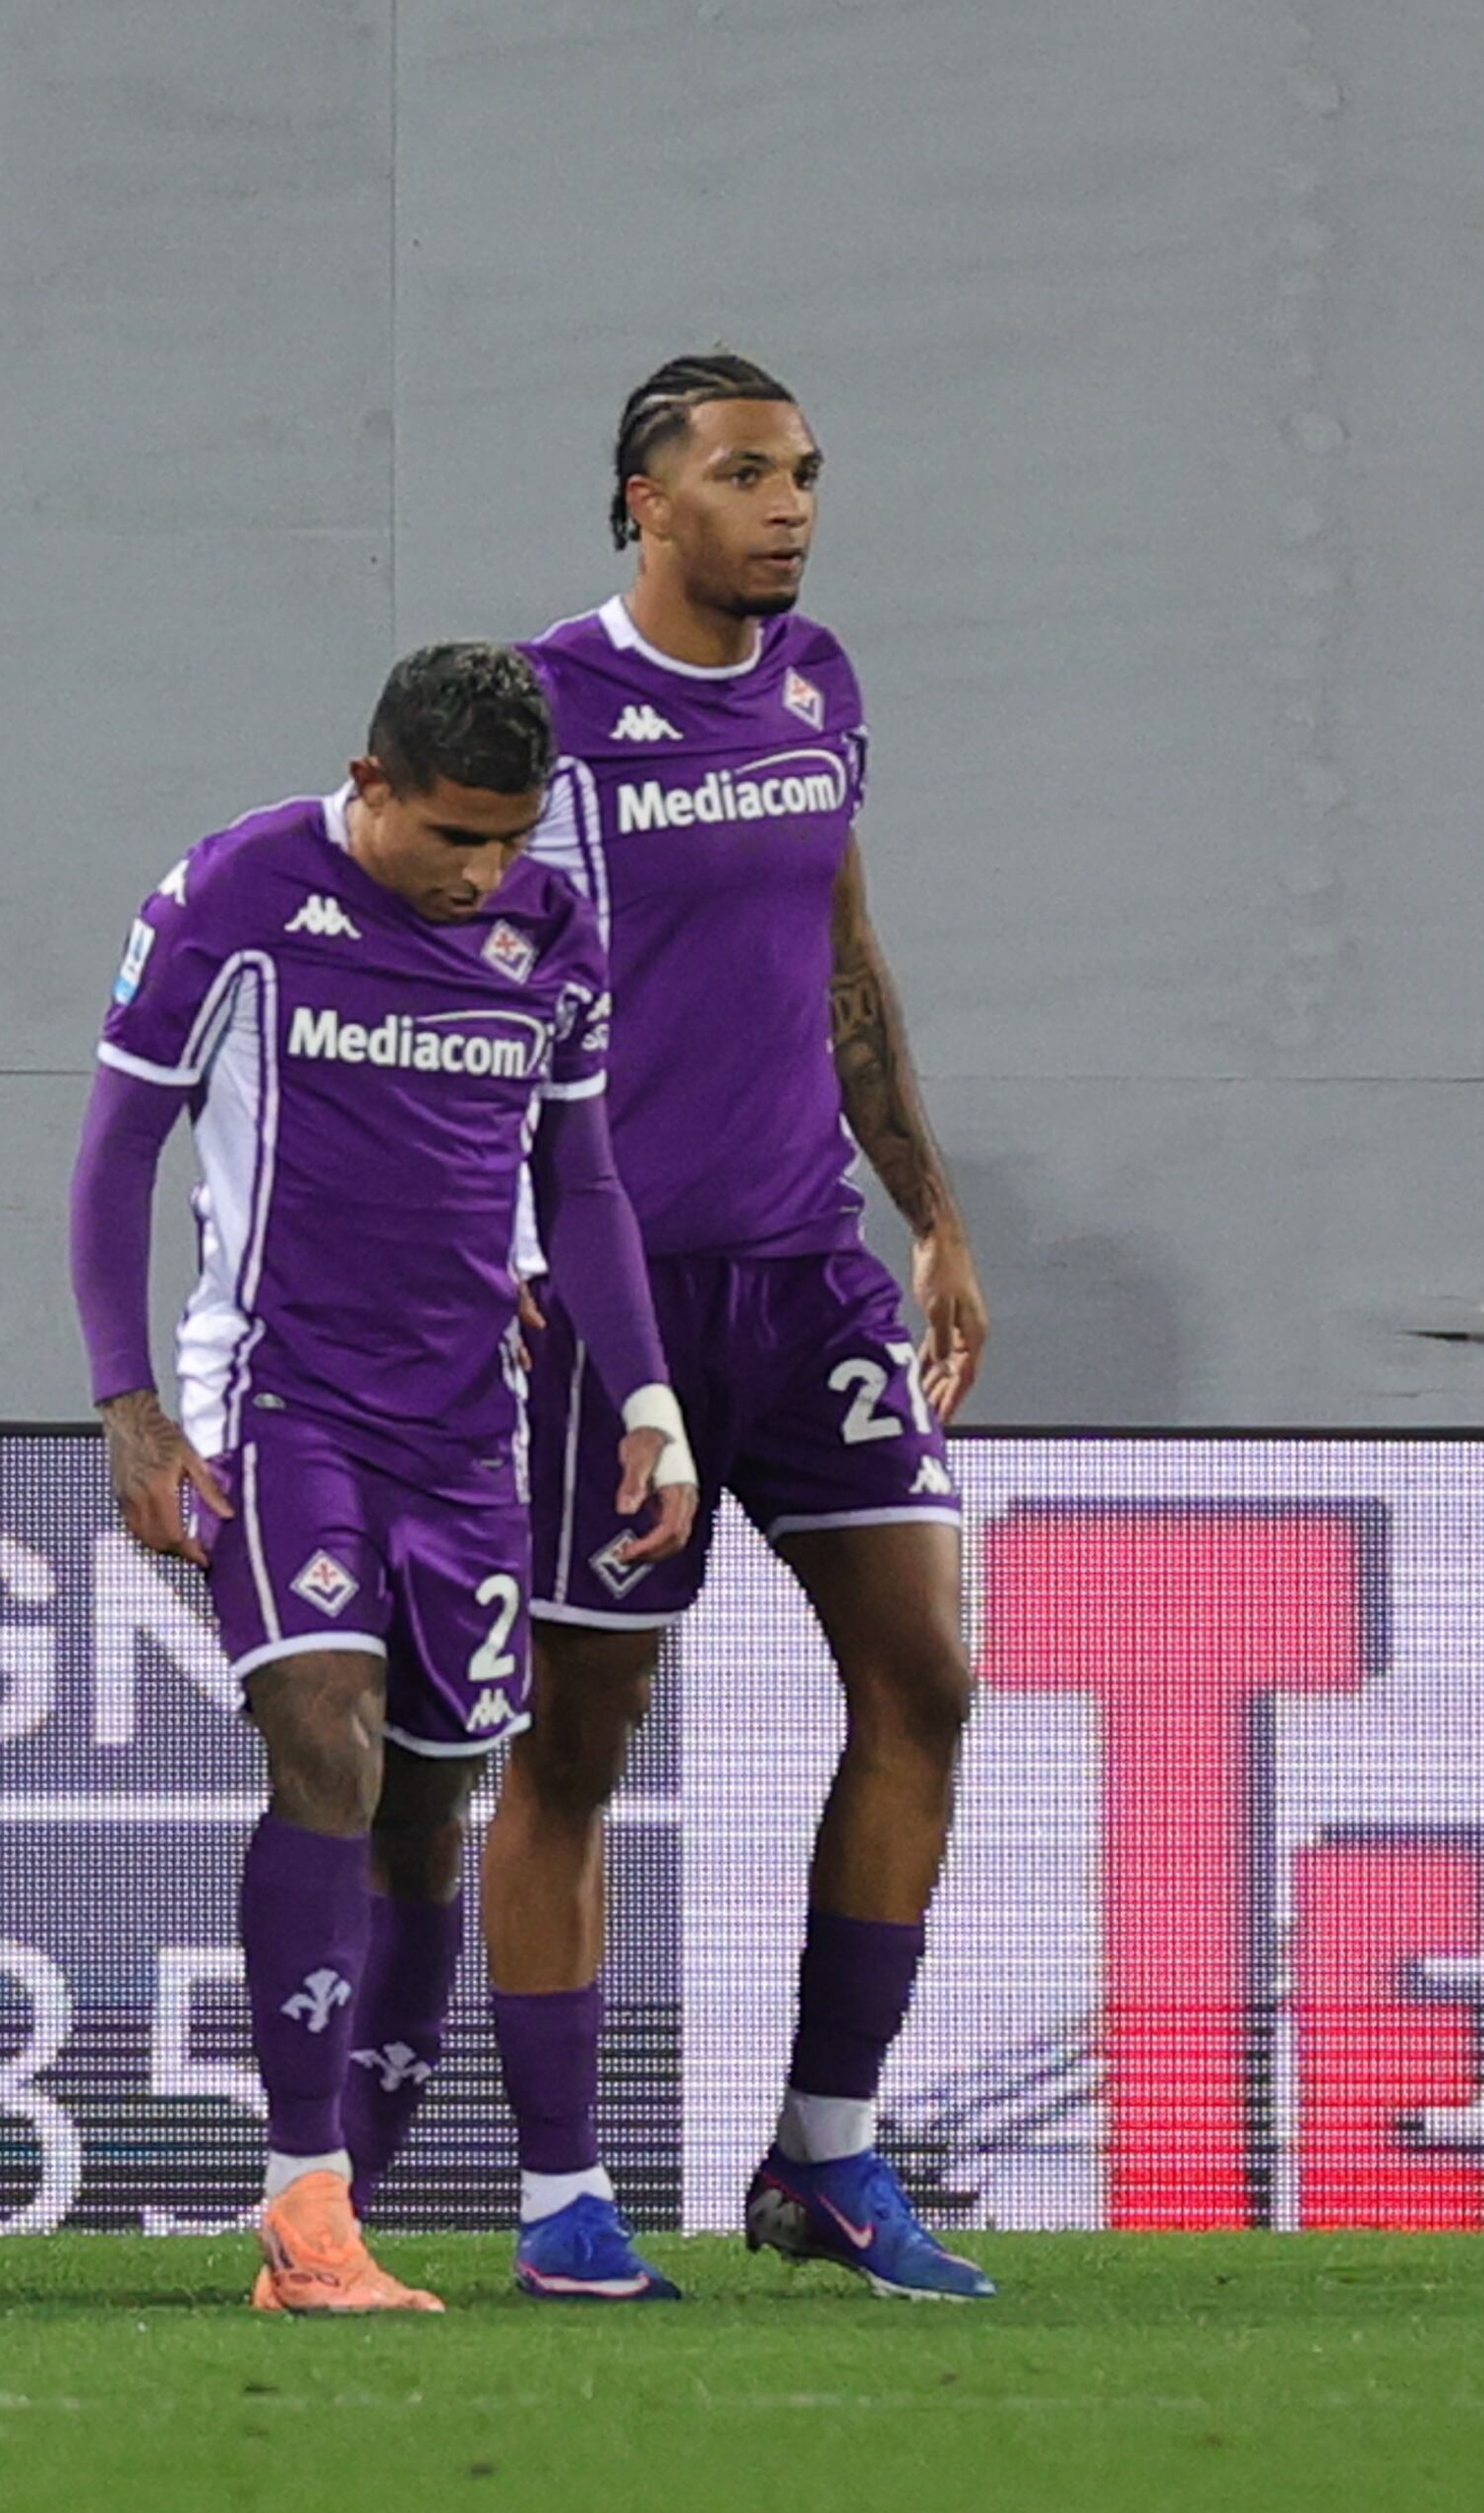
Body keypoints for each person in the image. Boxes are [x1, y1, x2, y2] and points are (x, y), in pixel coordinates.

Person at [68, 639, 696, 2316]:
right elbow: (117, 1143)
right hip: (277, 1407)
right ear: (371, 786)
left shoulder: (549, 932)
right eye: (453, 838)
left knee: (426, 1815)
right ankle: (301, 2195)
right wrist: (128, 1404)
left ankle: (351, 2190)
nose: (483, 874)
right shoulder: (237, 897)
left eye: (508, 841)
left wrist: (645, 1398)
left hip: (464, 1431)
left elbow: (585, 1181)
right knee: (327, 1742)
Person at [481, 354, 994, 2302]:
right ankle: (558, 2194)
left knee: (923, 1680)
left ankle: (824, 2157)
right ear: (643, 500)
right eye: (742, 473)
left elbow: (839, 957)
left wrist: (927, 1210)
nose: (786, 504)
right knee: (580, 1738)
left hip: (806, 1278)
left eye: (801, 474)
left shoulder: (813, 685)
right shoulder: (541, 711)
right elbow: (486, 1000)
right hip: (616, 1299)